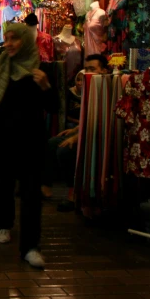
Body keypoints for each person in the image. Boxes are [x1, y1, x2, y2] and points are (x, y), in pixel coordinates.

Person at [0, 23, 58, 269]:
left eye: (14, 39)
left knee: (31, 194)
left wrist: (46, 87)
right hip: (2, 138)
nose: (8, 43)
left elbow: (54, 107)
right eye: (6, 39)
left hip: (31, 140)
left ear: (26, 41)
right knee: (3, 185)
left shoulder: (41, 70)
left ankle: (30, 246)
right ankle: (4, 224)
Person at [41, 54, 109, 210]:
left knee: (65, 151)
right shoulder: (88, 87)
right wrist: (75, 130)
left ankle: (73, 193)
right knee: (52, 143)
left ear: (104, 70)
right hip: (84, 130)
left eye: (93, 69)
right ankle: (46, 186)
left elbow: (100, 122)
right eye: (87, 69)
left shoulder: (106, 88)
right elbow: (88, 116)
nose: (88, 73)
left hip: (96, 135)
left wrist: (77, 137)